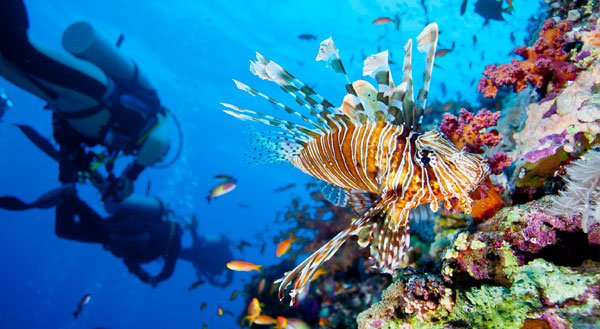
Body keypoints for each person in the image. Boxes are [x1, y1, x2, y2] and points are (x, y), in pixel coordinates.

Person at [0, 0, 171, 204]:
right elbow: (157, 143)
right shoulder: (159, 121)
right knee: (21, 49)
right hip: (96, 89)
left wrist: (83, 175)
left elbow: (70, 142)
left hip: (65, 105)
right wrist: (131, 176)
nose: (156, 158)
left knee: (5, 63)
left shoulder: (119, 143)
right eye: (160, 157)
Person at [53, 186, 182, 287]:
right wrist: (153, 279)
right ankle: (71, 197)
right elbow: (168, 272)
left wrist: (146, 278)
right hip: (128, 233)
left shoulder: (160, 240)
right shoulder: (173, 240)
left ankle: (66, 197)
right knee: (101, 233)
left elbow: (130, 262)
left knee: (65, 230)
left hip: (125, 227)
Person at [178, 217, 234, 288]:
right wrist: (221, 284)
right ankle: (189, 223)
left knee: (176, 252)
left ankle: (189, 224)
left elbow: (228, 278)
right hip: (200, 255)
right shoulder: (226, 258)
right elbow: (229, 278)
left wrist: (218, 283)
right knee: (176, 252)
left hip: (198, 253)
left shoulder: (224, 260)